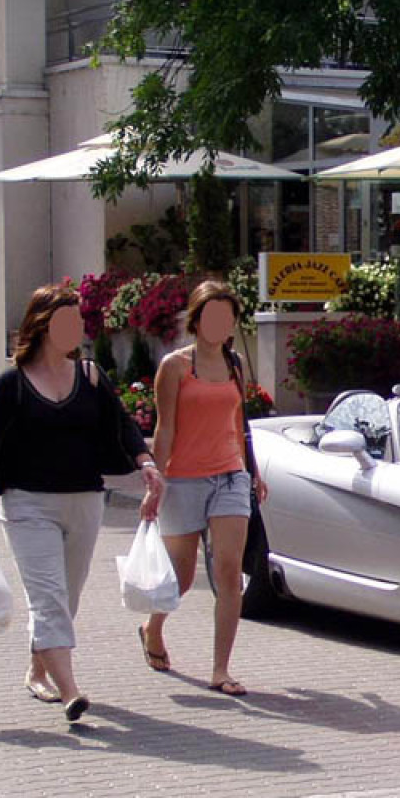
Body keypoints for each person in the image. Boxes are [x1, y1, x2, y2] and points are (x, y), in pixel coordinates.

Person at [0, 284, 163, 722]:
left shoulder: (92, 377)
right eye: (66, 321)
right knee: (49, 599)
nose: (76, 329)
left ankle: (38, 670)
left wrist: (146, 463)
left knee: (66, 599)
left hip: (85, 501)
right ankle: (70, 689)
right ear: (42, 325)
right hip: (27, 504)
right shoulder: (10, 385)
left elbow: (123, 426)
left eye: (79, 321)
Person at [140, 280, 267, 696]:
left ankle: (220, 669)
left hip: (230, 476)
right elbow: (165, 428)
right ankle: (152, 627)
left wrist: (252, 472)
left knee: (229, 572)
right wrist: (155, 479)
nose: (220, 324)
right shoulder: (175, 366)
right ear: (196, 320)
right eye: (212, 315)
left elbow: (238, 423)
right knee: (180, 574)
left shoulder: (235, 364)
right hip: (183, 479)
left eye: (227, 317)